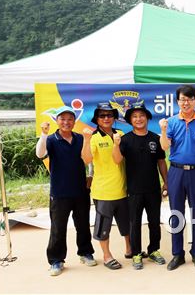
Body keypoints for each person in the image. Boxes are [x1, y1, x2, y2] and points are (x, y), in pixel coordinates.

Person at [36, 106, 96, 276]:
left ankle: (85, 253)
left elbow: (88, 157)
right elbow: (40, 154)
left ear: (74, 121)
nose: (66, 122)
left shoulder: (79, 138)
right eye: (62, 119)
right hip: (59, 192)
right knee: (58, 228)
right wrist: (43, 134)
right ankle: (56, 260)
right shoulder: (51, 139)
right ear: (57, 120)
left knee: (83, 225)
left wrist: (90, 175)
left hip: (80, 190)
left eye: (70, 119)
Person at [159, 85, 195, 270]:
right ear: (177, 102)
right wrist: (164, 131)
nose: (186, 103)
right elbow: (165, 147)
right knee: (176, 213)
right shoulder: (172, 122)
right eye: (182, 99)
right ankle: (177, 254)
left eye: (190, 99)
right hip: (176, 172)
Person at [112, 102, 168, 270]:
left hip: (153, 189)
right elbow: (116, 160)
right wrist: (116, 144)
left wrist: (166, 181)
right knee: (134, 223)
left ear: (147, 118)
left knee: (154, 222)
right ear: (130, 120)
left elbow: (161, 161)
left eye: (141, 115)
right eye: (134, 116)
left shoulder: (155, 138)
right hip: (134, 190)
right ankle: (136, 253)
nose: (138, 119)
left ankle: (154, 250)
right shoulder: (126, 139)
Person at [82, 102, 131, 270]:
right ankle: (106, 255)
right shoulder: (94, 137)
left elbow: (124, 159)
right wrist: (87, 140)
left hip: (123, 189)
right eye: (102, 115)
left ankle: (129, 249)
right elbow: (87, 159)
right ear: (96, 118)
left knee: (127, 224)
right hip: (103, 191)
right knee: (104, 226)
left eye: (109, 115)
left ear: (115, 117)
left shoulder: (121, 133)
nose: (106, 118)